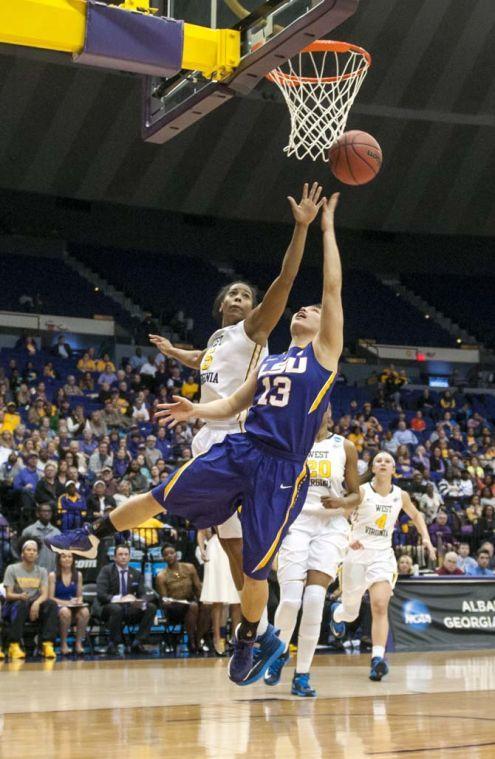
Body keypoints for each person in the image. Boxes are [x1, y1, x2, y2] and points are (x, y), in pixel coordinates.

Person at [46, 190, 343, 688]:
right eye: (304, 309)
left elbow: (321, 286)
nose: (305, 310)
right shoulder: (262, 360)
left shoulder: (319, 353)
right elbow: (229, 401)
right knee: (165, 496)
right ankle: (90, 535)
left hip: (280, 467)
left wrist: (318, 228)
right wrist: (193, 409)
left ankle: (253, 635)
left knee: (251, 566)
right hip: (234, 444)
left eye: (310, 309)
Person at [149, 182, 324, 598]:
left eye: (246, 295)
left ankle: (272, 606)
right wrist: (176, 353)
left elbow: (285, 279)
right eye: (233, 294)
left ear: (253, 307)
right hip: (205, 433)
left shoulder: (254, 328)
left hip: (237, 436)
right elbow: (203, 362)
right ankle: (258, 622)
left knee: (251, 544)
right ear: (222, 304)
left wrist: (300, 229)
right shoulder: (216, 339)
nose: (239, 298)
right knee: (230, 545)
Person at [264, 409, 360, 697]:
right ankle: (279, 651)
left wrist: (342, 501)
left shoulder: (345, 446)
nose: (321, 411)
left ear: (330, 411)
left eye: (326, 406)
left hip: (330, 526)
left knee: (316, 598)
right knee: (291, 600)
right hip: (295, 523)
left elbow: (357, 494)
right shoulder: (289, 441)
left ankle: (302, 674)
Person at [329, 451, 435, 682]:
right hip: (355, 555)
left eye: (388, 461)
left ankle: (377, 658)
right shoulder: (362, 491)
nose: (384, 463)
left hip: (382, 555)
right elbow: (340, 517)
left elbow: (416, 516)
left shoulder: (401, 495)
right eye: (379, 460)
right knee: (351, 611)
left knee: (379, 605)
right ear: (373, 468)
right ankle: (336, 616)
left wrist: (426, 538)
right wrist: (349, 538)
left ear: (394, 468)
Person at [95, 544, 157, 655]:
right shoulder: (106, 571)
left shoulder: (136, 573)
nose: (123, 557)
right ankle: (114, 643)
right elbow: (101, 595)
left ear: (129, 557)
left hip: (130, 609)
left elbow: (144, 594)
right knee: (116, 609)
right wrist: (121, 599)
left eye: (126, 554)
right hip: (108, 608)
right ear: (114, 557)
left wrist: (139, 602)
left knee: (151, 607)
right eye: (120, 554)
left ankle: (137, 642)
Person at [3, 538, 58, 660]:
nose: (32, 552)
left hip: (33, 606)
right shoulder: (12, 569)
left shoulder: (42, 571)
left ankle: (46, 645)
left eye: (34, 550)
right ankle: (14, 645)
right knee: (21, 604)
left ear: (37, 555)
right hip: (15, 605)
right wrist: (20, 596)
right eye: (29, 550)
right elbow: (8, 595)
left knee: (51, 604)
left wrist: (37, 603)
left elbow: (44, 594)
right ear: (22, 553)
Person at [197, 529, 241, 656]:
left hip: (236, 543)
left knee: (236, 597)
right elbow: (201, 530)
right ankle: (217, 638)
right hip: (216, 548)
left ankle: (236, 638)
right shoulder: (209, 508)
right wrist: (202, 549)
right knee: (217, 597)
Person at [156, 544, 205, 654]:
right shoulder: (161, 576)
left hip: (191, 601)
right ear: (163, 558)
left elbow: (198, 588)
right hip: (174, 607)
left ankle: (200, 638)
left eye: (172, 553)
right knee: (193, 606)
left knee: (207, 606)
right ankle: (192, 641)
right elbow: (164, 599)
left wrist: (203, 599)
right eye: (166, 554)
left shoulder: (189, 567)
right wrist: (168, 602)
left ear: (177, 554)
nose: (170, 556)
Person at [48, 551, 89, 655]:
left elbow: (80, 595)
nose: (67, 559)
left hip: (73, 606)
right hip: (58, 607)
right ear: (59, 560)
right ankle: (63, 644)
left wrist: (79, 600)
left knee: (85, 611)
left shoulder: (78, 575)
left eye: (70, 557)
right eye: (64, 557)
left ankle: (78, 643)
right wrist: (66, 603)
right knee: (65, 612)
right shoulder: (53, 575)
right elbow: (50, 598)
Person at [20, 503, 61, 572]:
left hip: (52, 573)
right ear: (37, 514)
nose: (47, 513)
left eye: (49, 511)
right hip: (32, 573)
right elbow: (21, 553)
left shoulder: (57, 533)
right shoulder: (28, 531)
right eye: (44, 511)